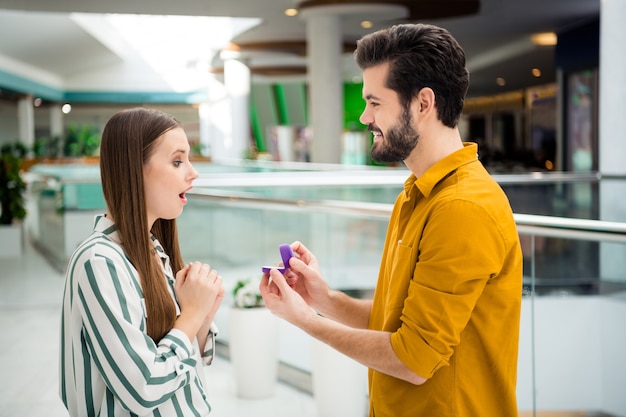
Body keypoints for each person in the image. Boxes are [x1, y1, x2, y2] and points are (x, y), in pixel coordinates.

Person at [259, 23, 523, 416]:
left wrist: (306, 322)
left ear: (422, 103)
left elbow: (414, 360)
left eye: (375, 102)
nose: (365, 116)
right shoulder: (416, 194)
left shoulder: (462, 208)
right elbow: (397, 322)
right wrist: (322, 300)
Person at [60, 107, 225, 417]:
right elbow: (143, 389)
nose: (193, 172)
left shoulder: (152, 250)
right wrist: (190, 315)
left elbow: (181, 357)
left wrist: (202, 317)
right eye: (177, 161)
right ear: (134, 169)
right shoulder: (99, 261)